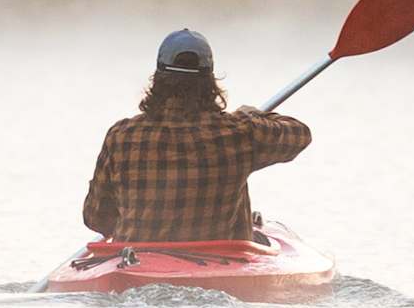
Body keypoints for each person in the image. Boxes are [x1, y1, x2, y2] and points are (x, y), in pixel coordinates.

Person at [81, 29, 311, 244]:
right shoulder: (240, 132)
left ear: (157, 80)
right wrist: (252, 115)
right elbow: (300, 134)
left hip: (136, 261)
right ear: (210, 83)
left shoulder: (121, 136)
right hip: (221, 261)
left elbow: (97, 219)